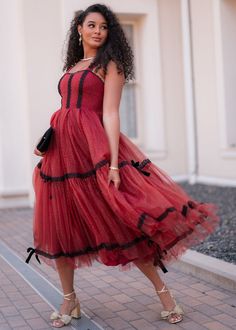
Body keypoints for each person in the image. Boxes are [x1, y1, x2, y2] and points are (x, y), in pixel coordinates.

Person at [26, 3, 219, 328]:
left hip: (93, 153)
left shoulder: (109, 65)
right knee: (59, 230)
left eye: (103, 26)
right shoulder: (73, 65)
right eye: (91, 25)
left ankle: (165, 293)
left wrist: (114, 163)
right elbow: (66, 111)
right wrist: (47, 143)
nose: (97, 31)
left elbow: (111, 114)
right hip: (62, 154)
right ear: (79, 30)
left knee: (121, 224)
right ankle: (69, 300)